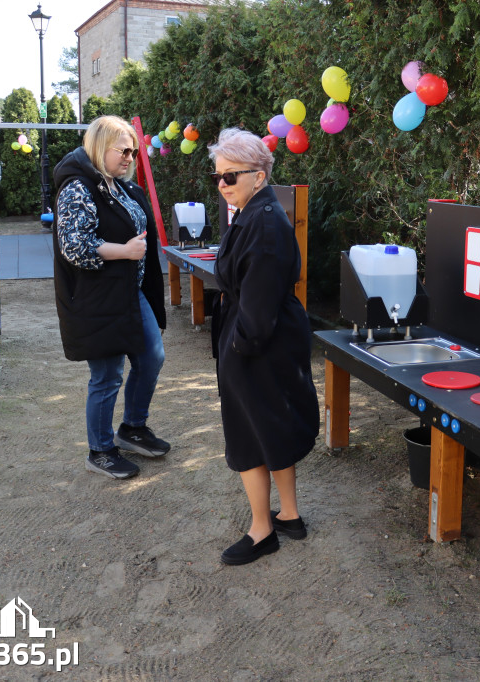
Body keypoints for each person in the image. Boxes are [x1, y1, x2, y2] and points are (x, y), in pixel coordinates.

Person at [208, 128, 320, 565]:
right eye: (217, 176)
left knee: (249, 432)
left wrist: (237, 348)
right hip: (265, 335)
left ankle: (262, 529)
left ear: (259, 175)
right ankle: (288, 514)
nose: (221, 185)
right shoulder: (257, 211)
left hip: (257, 342)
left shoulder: (263, 222)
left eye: (229, 177)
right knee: (271, 424)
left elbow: (256, 307)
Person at [52, 115, 170, 480]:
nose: (130, 158)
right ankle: (100, 450)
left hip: (129, 293)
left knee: (151, 357)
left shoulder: (117, 186)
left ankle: (133, 427)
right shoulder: (77, 187)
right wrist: (125, 251)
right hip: (97, 298)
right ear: (100, 146)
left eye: (134, 152)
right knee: (107, 375)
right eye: (124, 150)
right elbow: (74, 247)